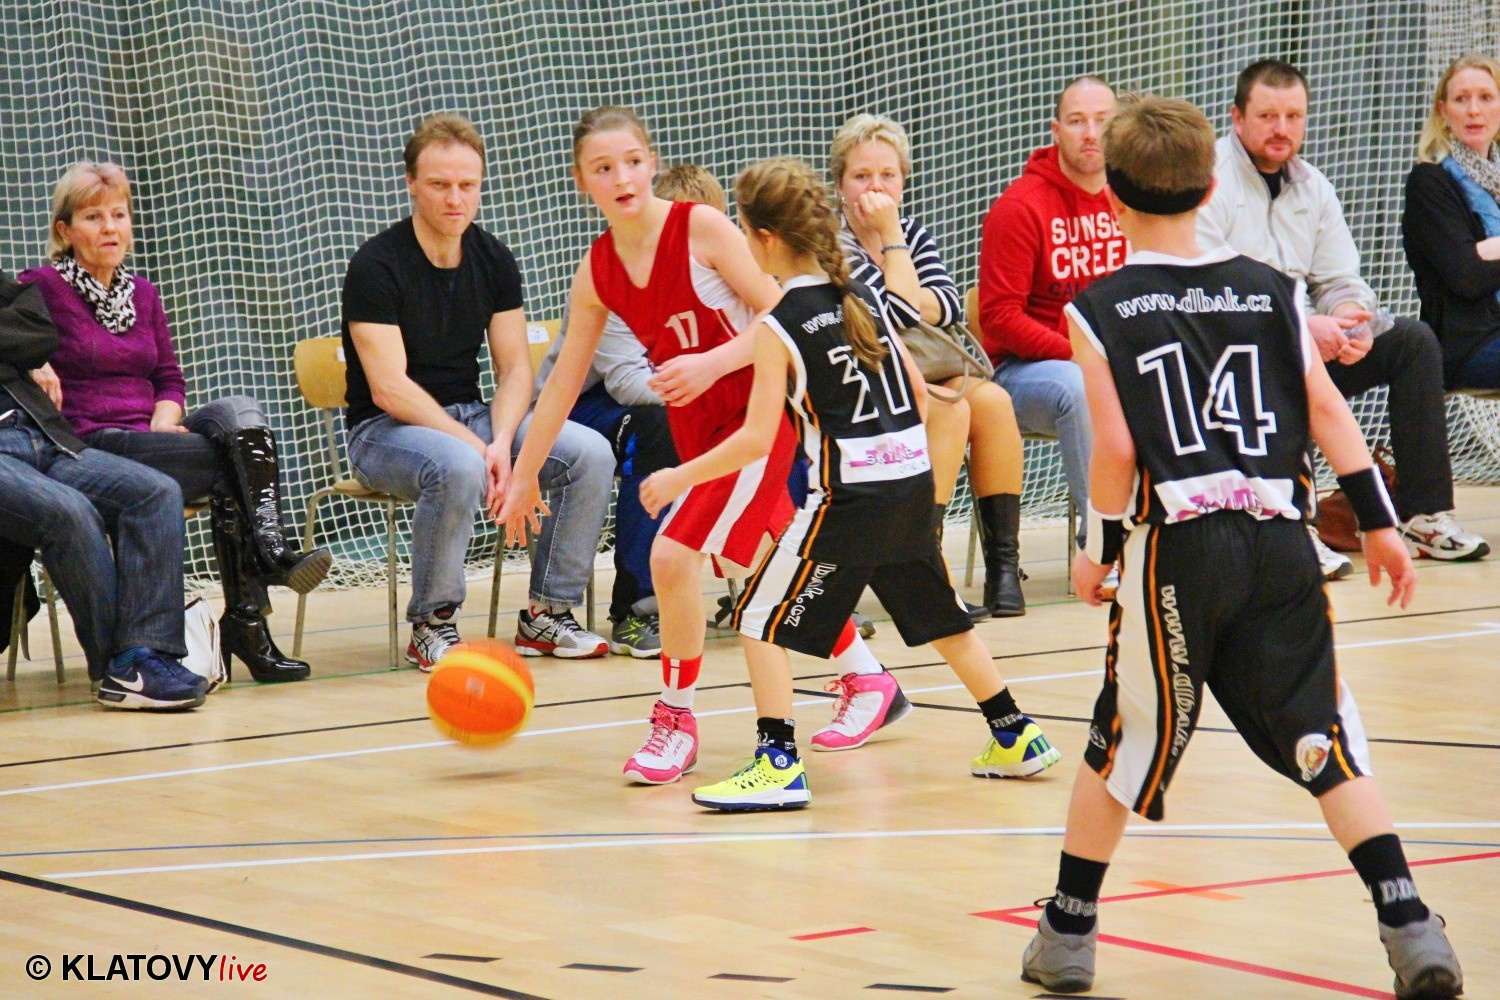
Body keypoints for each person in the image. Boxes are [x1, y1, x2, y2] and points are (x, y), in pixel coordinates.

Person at [1020, 96, 1463, 1000]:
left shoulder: (1099, 307)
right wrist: (1380, 521)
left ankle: (1067, 932)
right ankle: (1409, 919)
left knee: (1124, 734)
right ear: (1212, 186)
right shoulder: (1269, 288)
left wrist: (1097, 547)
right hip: (1282, 543)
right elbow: (1329, 410)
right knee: (1322, 737)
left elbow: (1114, 448)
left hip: (1178, 551)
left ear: (1112, 198)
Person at [637, 157, 1061, 810]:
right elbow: (916, 388)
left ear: (766, 239)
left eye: (745, 232)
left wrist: (677, 476)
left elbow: (755, 440)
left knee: (758, 619)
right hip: (909, 481)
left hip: (849, 496)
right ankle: (1015, 733)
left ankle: (777, 762)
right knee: (943, 619)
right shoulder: (863, 295)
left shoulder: (777, 325)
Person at [500, 106, 892, 784]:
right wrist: (524, 472)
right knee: (767, 561)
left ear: (651, 164)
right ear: (580, 180)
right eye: (602, 168)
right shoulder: (597, 269)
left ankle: (675, 718)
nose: (621, 177)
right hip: (696, 429)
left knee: (672, 557)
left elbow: (787, 313)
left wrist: (714, 363)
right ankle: (867, 676)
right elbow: (562, 382)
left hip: (755, 418)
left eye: (632, 162)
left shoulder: (700, 227)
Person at [20, 161, 330, 684]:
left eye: (119, 215)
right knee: (235, 465)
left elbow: (168, 378)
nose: (110, 228)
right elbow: (12, 337)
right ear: (64, 231)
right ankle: (255, 599)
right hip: (88, 443)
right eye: (94, 217)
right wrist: (33, 361)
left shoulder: (143, 293)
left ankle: (255, 592)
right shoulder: (42, 286)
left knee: (238, 415)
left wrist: (164, 423)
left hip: (149, 438)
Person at [342, 112, 613, 669]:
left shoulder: (492, 258)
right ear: (411, 183)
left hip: (472, 416)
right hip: (384, 432)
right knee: (458, 466)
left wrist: (504, 441)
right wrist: (477, 447)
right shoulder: (376, 265)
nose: (455, 198)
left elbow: (514, 371)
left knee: (589, 453)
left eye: (468, 185)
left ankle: (547, 614)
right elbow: (390, 389)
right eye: (439, 184)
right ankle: (433, 623)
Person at [1200, 59, 1489, 569]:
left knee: (1413, 341)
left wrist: (1351, 319)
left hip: (1309, 339)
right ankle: (1296, 528)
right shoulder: (1209, 183)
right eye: (1267, 116)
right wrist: (1301, 326)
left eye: (1294, 116)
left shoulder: (1313, 186)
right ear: (1236, 118)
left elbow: (1338, 279)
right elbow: (1209, 291)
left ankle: (1423, 516)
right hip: (1233, 351)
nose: (1282, 128)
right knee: (1285, 354)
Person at [833, 114, 1027, 617]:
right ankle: (926, 564)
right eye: (861, 176)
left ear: (903, 180)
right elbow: (894, 314)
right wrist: (894, 250)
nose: (876, 187)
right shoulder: (833, 244)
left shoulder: (912, 232)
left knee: (993, 402)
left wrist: (901, 281)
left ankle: (1004, 567)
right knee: (950, 410)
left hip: (924, 370)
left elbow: (950, 305)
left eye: (888, 175)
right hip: (864, 379)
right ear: (840, 185)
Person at [530, 165, 726, 659]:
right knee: (658, 430)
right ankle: (637, 608)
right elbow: (627, 382)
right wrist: (710, 393)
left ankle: (772, 587)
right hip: (581, 407)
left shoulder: (722, 280)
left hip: (667, 396)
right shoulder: (619, 274)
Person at [0, 269, 207, 710]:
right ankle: (123, 666)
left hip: (45, 437)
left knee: (155, 492)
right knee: (68, 511)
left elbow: (37, 332)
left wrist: (24, 352)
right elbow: (21, 336)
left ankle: (147, 651)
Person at [977, 76, 1124, 557]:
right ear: (1056, 131)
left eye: (1102, 121)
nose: (1091, 133)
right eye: (1077, 121)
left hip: (1113, 362)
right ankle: (1104, 546)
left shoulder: (1134, 199)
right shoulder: (1020, 207)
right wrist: (1082, 357)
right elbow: (998, 317)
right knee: (1078, 386)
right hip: (1024, 374)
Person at [1403, 52, 1500, 391]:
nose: (1474, 110)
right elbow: (1466, 277)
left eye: (1486, 97)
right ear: (1444, 111)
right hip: (1467, 345)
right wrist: (1476, 256)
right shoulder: (1429, 183)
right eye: (1461, 99)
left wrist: (1488, 249)